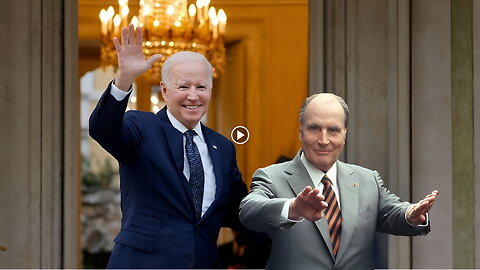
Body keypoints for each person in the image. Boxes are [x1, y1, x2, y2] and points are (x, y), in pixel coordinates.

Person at [89, 24, 248, 268]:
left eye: (201, 87)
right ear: (164, 91)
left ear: (210, 89)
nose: (193, 96)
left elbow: (240, 212)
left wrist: (287, 209)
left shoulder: (223, 148)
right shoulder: (140, 127)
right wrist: (124, 79)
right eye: (183, 87)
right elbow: (103, 129)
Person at [239, 93, 439, 270]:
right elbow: (248, 211)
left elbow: (391, 212)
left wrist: (410, 214)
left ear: (345, 134)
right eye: (314, 128)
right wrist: (293, 208)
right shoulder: (272, 176)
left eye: (333, 130)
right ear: (301, 132)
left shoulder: (367, 179)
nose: (323, 139)